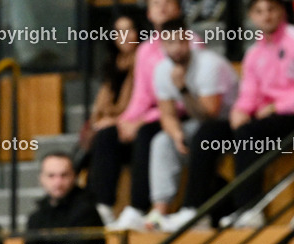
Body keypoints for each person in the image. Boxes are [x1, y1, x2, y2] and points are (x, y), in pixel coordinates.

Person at [183, 0, 294, 228]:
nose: (266, 16)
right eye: (259, 11)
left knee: (249, 132)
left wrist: (276, 106)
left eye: (271, 9)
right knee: (209, 132)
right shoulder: (253, 52)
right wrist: (240, 110)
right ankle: (195, 210)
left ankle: (249, 209)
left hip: (287, 116)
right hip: (264, 119)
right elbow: (249, 92)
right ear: (252, 17)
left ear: (282, 12)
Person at [92, 0, 183, 229]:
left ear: (178, 9)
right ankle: (102, 208)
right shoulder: (146, 50)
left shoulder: (189, 43)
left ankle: (138, 208)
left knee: (145, 133)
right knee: (107, 134)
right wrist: (124, 122)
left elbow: (182, 98)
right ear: (149, 14)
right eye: (155, 5)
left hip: (178, 115)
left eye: (167, 4)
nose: (161, 9)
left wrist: (140, 121)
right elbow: (141, 97)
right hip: (153, 114)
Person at [148, 19, 238, 231]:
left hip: (230, 122)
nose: (177, 48)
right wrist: (177, 134)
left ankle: (194, 210)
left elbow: (209, 114)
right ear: (162, 45)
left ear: (189, 40)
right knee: (162, 140)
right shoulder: (161, 70)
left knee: (204, 134)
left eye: (181, 41)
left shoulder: (209, 64)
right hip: (199, 124)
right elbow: (167, 114)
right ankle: (159, 212)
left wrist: (183, 89)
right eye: (170, 43)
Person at [76, 12, 138, 175]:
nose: (125, 36)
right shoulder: (111, 65)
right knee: (96, 139)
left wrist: (115, 121)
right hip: (110, 127)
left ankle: (101, 199)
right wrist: (99, 122)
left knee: (104, 138)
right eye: (119, 32)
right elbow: (101, 106)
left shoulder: (143, 62)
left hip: (134, 127)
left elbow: (143, 104)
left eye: (129, 30)